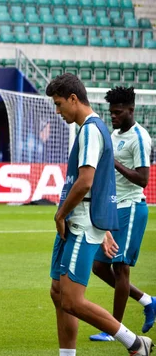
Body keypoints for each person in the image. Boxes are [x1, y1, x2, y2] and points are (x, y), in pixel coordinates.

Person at [46, 74, 153, 356]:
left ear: (73, 98)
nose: (58, 111)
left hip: (79, 223)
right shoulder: (92, 129)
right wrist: (103, 227)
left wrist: (61, 214)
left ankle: (134, 342)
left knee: (72, 299)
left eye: (59, 104)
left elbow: (86, 182)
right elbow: (105, 181)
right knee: (58, 293)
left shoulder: (92, 130)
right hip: (78, 221)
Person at [90, 86, 155, 341]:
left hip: (131, 207)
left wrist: (114, 163)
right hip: (115, 207)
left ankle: (114, 330)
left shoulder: (140, 137)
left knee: (120, 268)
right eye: (111, 112)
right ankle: (148, 300)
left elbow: (143, 179)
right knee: (98, 266)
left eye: (118, 112)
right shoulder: (116, 134)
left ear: (131, 110)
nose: (113, 117)